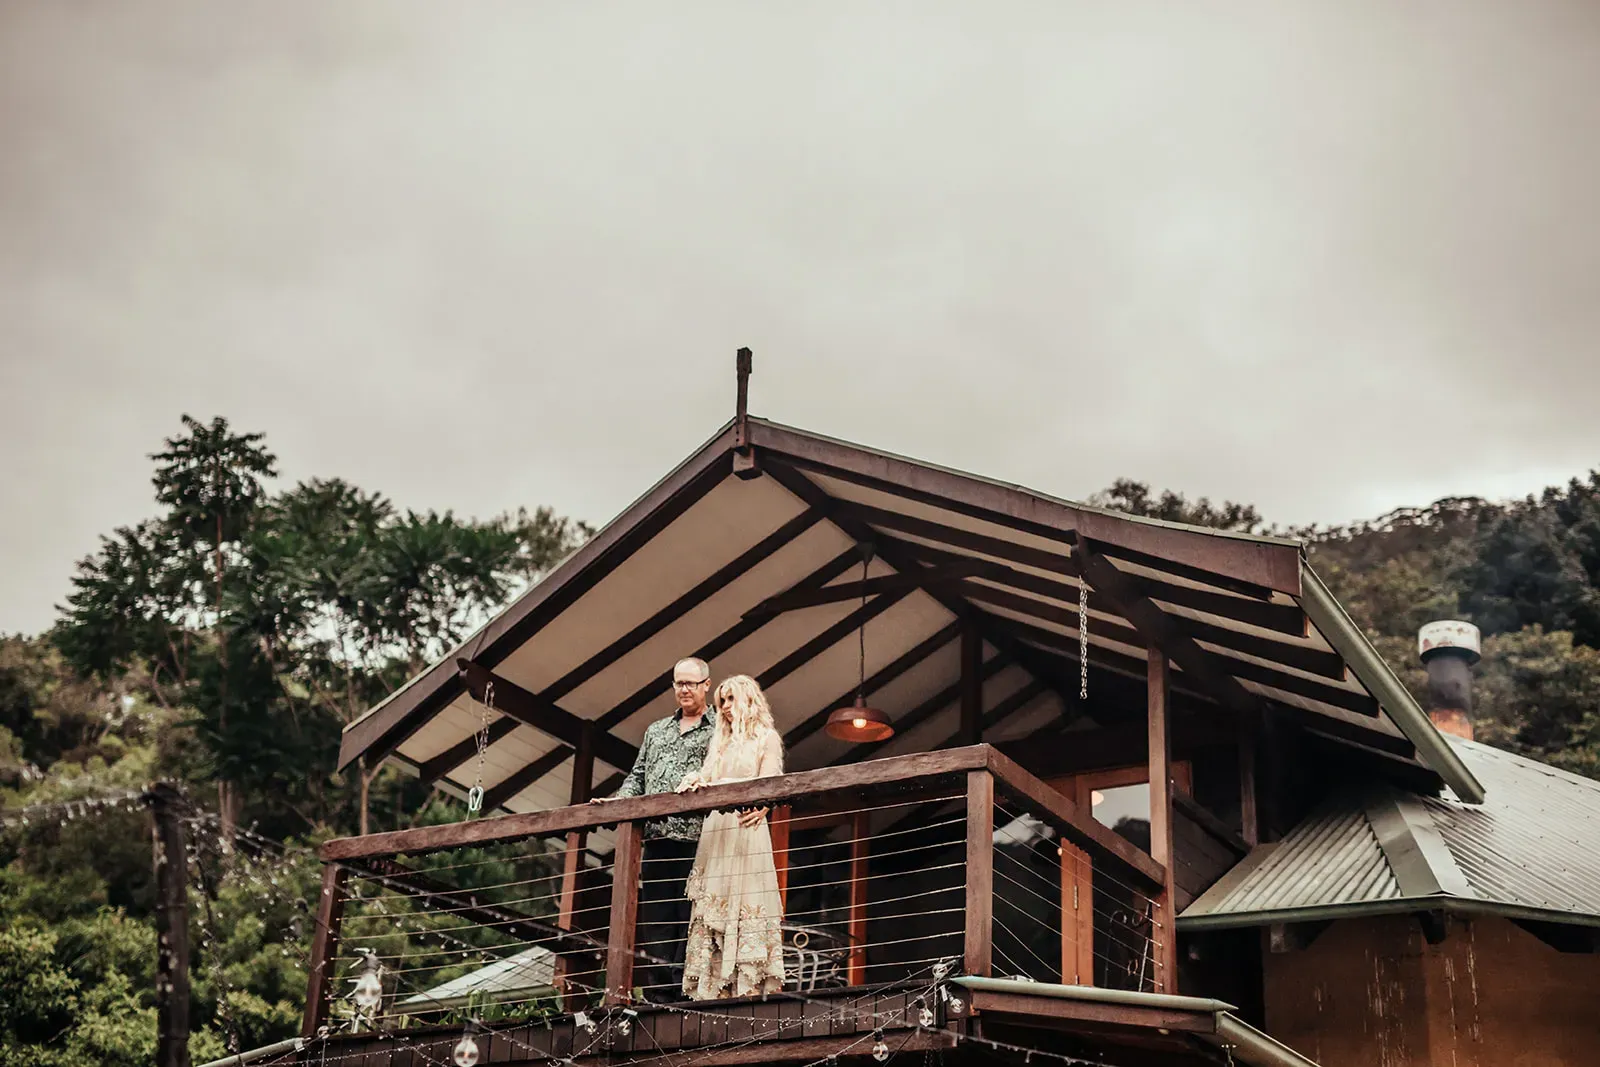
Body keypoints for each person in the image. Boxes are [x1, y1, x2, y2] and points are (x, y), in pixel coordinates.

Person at [592, 656, 718, 1002]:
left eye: (691, 683)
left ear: (707, 684)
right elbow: (638, 776)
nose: (684, 689)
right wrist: (618, 802)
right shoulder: (657, 730)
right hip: (658, 839)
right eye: (679, 683)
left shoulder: (720, 728)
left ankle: (688, 993)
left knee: (690, 916)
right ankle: (659, 996)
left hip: (699, 840)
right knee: (658, 917)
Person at [676, 674, 787, 1001]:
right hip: (717, 830)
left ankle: (746, 984)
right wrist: (695, 780)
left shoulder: (766, 737)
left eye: (729, 699)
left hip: (745, 828)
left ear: (748, 699)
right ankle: (713, 987)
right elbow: (709, 774)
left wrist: (764, 806)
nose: (723, 707)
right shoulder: (720, 740)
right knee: (713, 905)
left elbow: (770, 781)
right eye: (720, 701)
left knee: (748, 896)